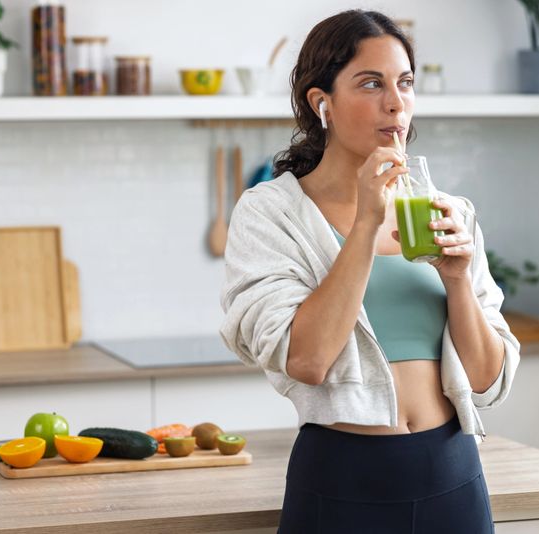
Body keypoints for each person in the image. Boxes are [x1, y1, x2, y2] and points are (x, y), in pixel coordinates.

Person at [219, 9, 520, 534]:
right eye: (371, 83)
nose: (395, 101)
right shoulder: (271, 212)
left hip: (452, 475)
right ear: (322, 104)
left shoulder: (449, 213)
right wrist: (364, 225)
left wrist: (456, 281)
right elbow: (307, 359)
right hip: (342, 480)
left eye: (404, 82)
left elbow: (486, 380)